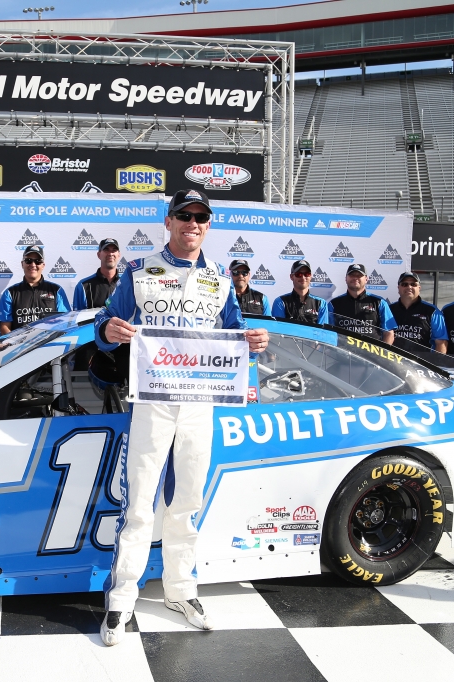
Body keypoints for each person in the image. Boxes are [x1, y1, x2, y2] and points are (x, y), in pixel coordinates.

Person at [94, 188, 269, 646]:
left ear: (208, 225)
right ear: (168, 221)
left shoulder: (220, 279)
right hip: (151, 401)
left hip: (199, 403)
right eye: (185, 216)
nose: (193, 223)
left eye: (201, 217)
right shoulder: (139, 269)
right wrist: (108, 332)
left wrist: (251, 341)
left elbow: (232, 333)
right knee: (140, 504)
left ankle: (180, 591)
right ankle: (121, 599)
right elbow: (106, 325)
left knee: (188, 500)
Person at [0, 245, 70, 333]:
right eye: (28, 261)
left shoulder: (56, 290)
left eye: (38, 261)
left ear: (43, 265)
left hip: (49, 345)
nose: (33, 265)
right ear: (22, 264)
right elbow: (5, 326)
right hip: (21, 346)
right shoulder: (10, 293)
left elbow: (65, 322)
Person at [329, 264, 396, 342]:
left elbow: (389, 333)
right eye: (352, 275)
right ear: (346, 279)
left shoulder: (379, 302)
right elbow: (328, 332)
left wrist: (383, 353)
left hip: (371, 353)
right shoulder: (334, 304)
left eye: (359, 275)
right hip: (341, 352)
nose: (355, 278)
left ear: (366, 279)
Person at [389, 271, 448, 353]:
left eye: (413, 284)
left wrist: (437, 363)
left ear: (419, 288)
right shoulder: (388, 310)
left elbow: (441, 342)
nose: (409, 287)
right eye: (404, 284)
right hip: (392, 362)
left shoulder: (432, 311)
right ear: (398, 288)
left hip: (420, 364)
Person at [270, 259, 330, 324]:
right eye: (299, 274)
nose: (303, 277)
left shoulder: (321, 303)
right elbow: (278, 329)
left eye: (307, 274)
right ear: (291, 277)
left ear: (311, 276)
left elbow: (322, 332)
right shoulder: (280, 302)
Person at [73, 238, 121, 310]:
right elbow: (77, 317)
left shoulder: (128, 283)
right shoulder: (83, 285)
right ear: (99, 255)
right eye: (106, 250)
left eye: (114, 250)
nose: (110, 253)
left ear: (119, 255)